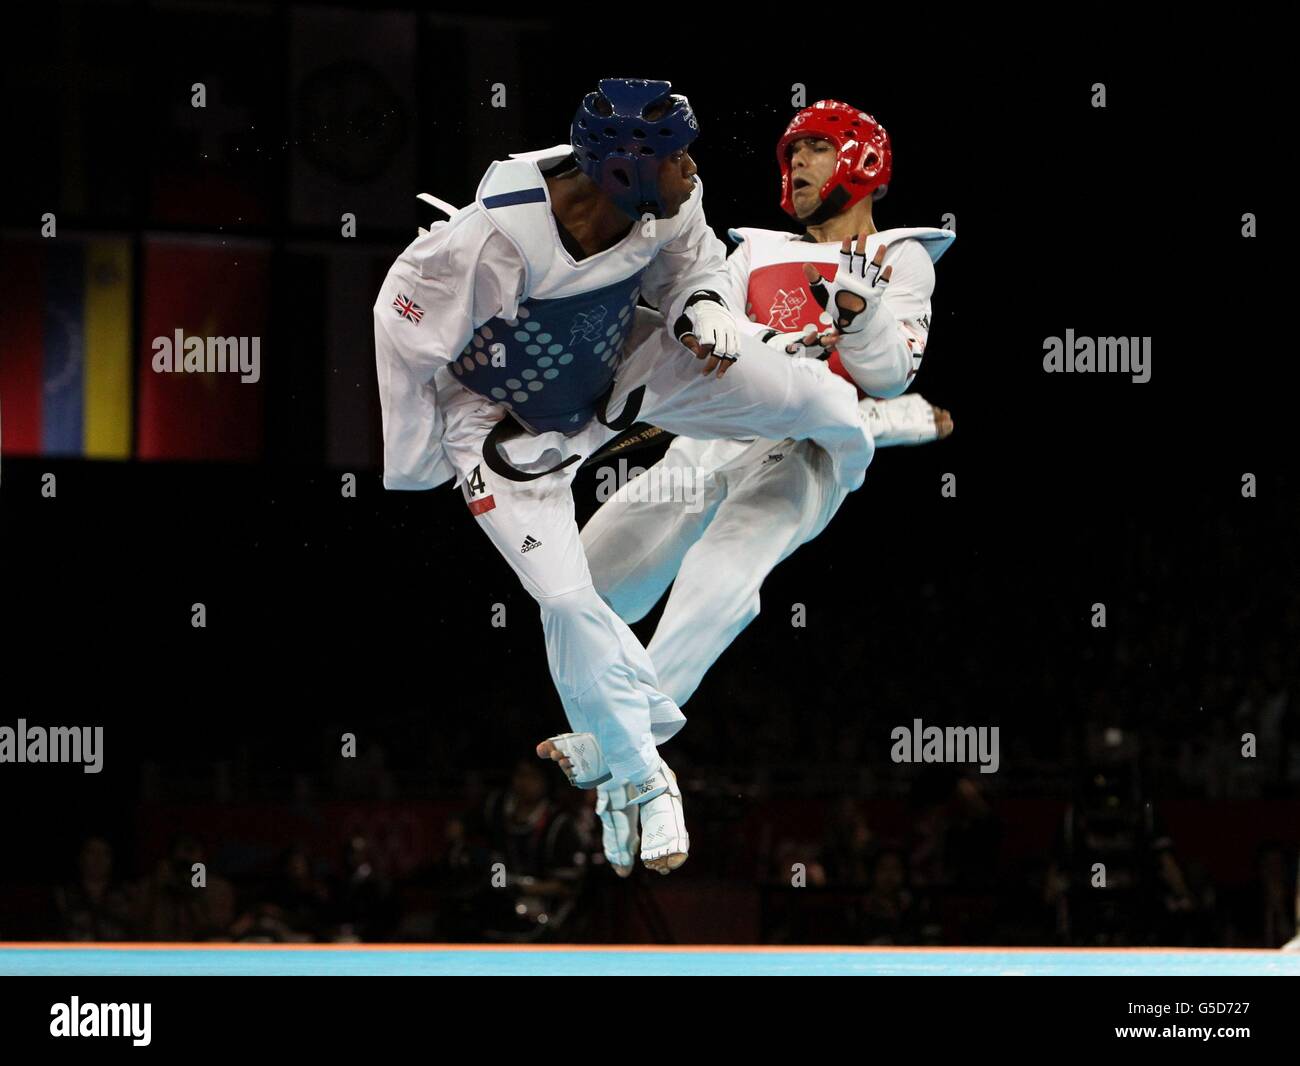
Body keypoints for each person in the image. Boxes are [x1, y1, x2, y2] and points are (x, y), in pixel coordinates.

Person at [375, 79, 875, 876]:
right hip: (506, 424)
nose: (690, 169)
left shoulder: (666, 195)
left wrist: (704, 307)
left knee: (813, 395)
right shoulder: (481, 246)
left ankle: (854, 448)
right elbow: (398, 333)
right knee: (569, 602)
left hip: (628, 361)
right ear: (621, 172)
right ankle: (640, 779)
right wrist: (415, 462)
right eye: (676, 157)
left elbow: (693, 268)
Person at [542, 100, 954, 874]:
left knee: (725, 566)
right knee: (575, 589)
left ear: (862, 160)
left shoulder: (904, 256)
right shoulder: (753, 253)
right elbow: (706, 322)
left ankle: (618, 747)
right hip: (714, 437)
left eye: (814, 150)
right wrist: (712, 325)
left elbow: (893, 365)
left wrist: (858, 322)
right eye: (789, 153)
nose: (793, 165)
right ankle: (624, 769)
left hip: (807, 450)